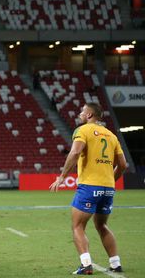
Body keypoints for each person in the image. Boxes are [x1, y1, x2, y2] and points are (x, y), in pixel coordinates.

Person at [50, 103, 127, 275]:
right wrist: (110, 181)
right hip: (107, 189)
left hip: (89, 187)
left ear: (90, 114)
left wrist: (62, 177)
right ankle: (115, 263)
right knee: (102, 225)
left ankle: (86, 265)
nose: (80, 113)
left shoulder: (82, 130)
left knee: (77, 226)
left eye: (82, 111)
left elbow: (75, 152)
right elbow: (123, 165)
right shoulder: (111, 135)